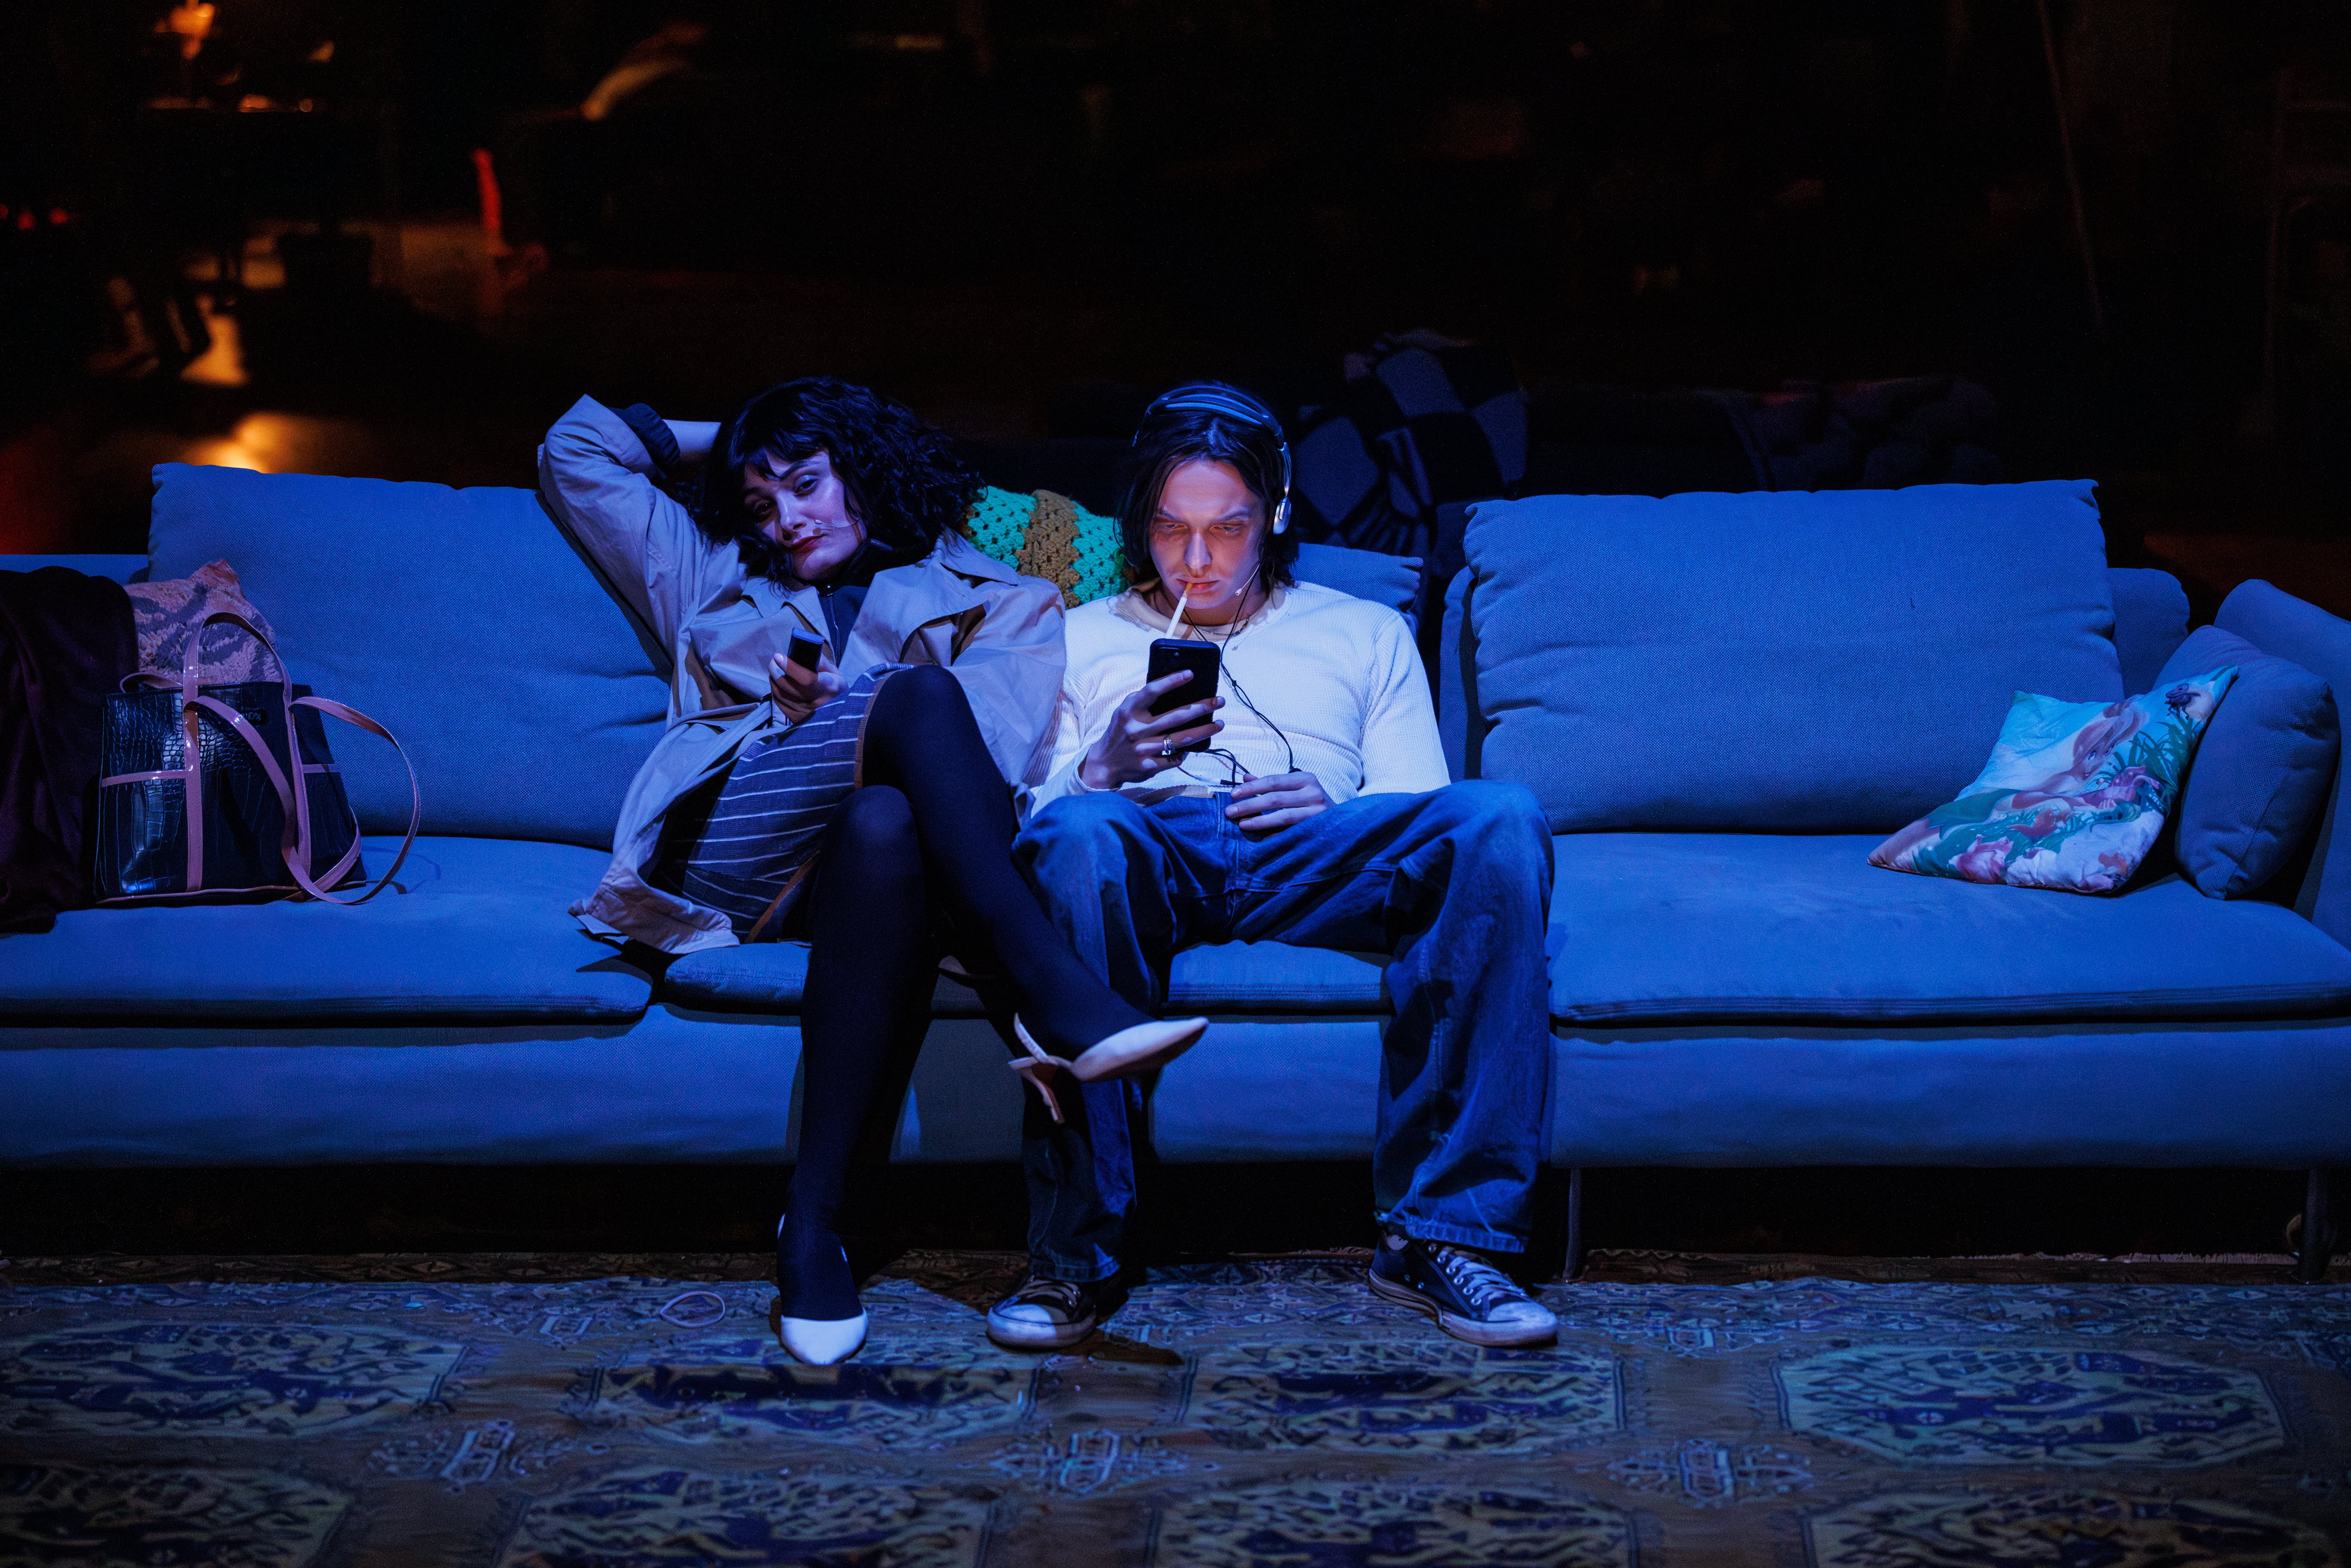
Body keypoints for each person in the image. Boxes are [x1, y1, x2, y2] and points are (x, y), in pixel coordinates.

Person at [538, 381, 1206, 1366]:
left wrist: (847, 703)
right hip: (736, 858)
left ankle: (812, 1225)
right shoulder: (714, 566)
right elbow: (575, 450)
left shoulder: (1006, 600)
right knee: (914, 699)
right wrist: (748, 436)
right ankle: (1060, 998)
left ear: (865, 469)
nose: (784, 517)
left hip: (884, 878)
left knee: (886, 812)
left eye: (806, 482)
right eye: (761, 500)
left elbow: (993, 761)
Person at [986, 383, 1559, 1352]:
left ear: (1277, 513)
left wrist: (1336, 808)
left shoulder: (1362, 629)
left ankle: (1442, 1237)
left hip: (1312, 852)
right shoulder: (1078, 634)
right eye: (1170, 529)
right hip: (1146, 844)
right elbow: (1021, 831)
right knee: (1079, 833)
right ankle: (1074, 1254)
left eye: (1228, 528)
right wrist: (1102, 769)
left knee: (1498, 817)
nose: (1196, 559)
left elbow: (1421, 804)